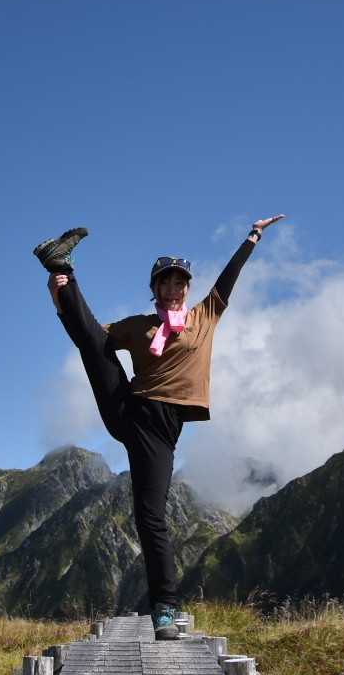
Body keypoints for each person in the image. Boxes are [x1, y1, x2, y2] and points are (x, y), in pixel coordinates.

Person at [32, 215, 285, 639]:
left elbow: (229, 278)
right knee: (95, 346)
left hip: (159, 429)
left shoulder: (205, 316)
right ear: (154, 288)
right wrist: (59, 297)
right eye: (165, 283)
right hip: (128, 406)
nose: (172, 289)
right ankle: (60, 267)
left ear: (187, 288)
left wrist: (253, 237)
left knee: (150, 516)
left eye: (179, 283)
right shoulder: (139, 326)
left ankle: (164, 606)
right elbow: (88, 335)